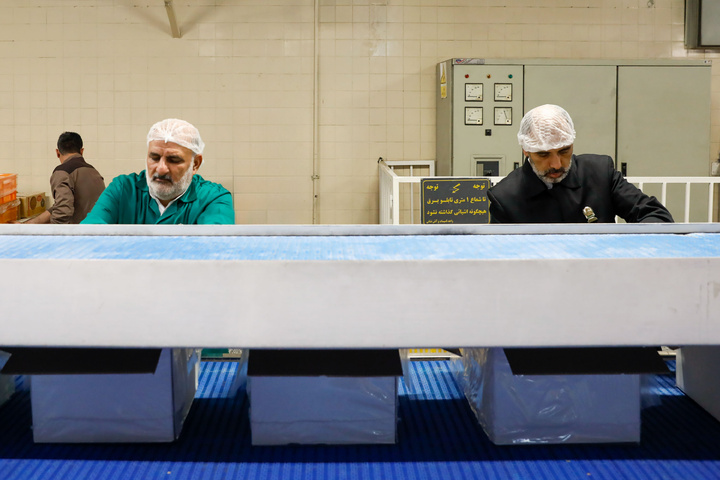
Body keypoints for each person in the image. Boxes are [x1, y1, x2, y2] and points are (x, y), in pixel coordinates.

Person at [488, 104, 673, 224]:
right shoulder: (505, 198)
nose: (556, 164)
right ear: (525, 150)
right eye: (543, 154)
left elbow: (655, 215)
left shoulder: (599, 173)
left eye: (564, 150)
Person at [82, 118, 234, 225]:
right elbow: (90, 233)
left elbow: (215, 247)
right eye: (154, 158)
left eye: (174, 160)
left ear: (195, 164)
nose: (161, 168)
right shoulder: (123, 190)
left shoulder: (213, 198)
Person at [25, 132, 105, 224]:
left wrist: (51, 233)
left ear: (57, 153)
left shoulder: (63, 172)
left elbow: (62, 212)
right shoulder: (94, 171)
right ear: (82, 151)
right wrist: (33, 223)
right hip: (98, 232)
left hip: (78, 234)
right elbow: (63, 205)